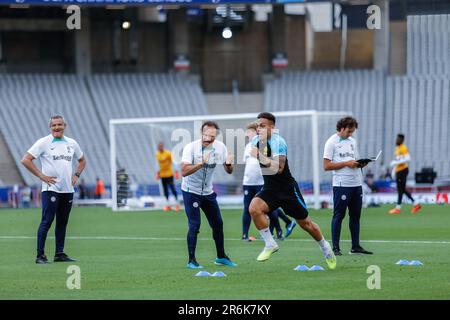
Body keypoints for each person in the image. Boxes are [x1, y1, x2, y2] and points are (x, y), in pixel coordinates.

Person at [249, 112, 336, 270]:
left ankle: (325, 248)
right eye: (257, 126)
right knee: (254, 209)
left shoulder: (279, 142)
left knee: (306, 223)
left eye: (262, 125)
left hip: (287, 190)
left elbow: (279, 168)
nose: (258, 129)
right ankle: (270, 244)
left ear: (272, 127)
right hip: (270, 189)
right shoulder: (256, 141)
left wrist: (259, 156)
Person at [21, 115, 86, 264]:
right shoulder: (43, 142)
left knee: (62, 222)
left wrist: (76, 174)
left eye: (59, 125)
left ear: (65, 126)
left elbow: (82, 160)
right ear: (50, 127)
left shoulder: (72, 143)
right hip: (51, 189)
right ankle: (40, 255)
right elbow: (25, 159)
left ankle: (59, 253)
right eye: (54, 125)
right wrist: (41, 175)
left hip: (68, 190)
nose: (57, 127)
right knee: (47, 221)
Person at [180, 121, 237, 269]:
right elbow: (184, 171)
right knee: (195, 225)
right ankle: (191, 260)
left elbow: (228, 170)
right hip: (190, 191)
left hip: (208, 192)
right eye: (206, 135)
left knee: (218, 223)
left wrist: (230, 164)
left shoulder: (220, 147)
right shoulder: (190, 148)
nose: (208, 138)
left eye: (212, 136)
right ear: (201, 133)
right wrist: (200, 163)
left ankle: (221, 257)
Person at [323, 116, 372, 256]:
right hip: (341, 184)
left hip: (356, 183)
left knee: (356, 216)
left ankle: (355, 246)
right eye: (349, 131)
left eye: (352, 132)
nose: (350, 134)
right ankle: (336, 248)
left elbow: (354, 161)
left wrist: (360, 163)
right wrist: (346, 163)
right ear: (342, 128)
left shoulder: (352, 142)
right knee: (339, 215)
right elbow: (326, 166)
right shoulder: (331, 142)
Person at [242, 122, 296, 241]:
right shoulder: (249, 147)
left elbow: (272, 164)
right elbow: (248, 163)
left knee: (270, 208)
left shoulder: (266, 144)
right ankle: (246, 234)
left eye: (249, 131)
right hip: (248, 182)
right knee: (250, 208)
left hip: (262, 181)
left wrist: (260, 157)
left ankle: (278, 230)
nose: (247, 134)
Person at [388, 134, 422, 215]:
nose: (396, 140)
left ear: (402, 140)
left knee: (401, 189)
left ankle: (398, 208)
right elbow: (398, 161)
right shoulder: (397, 148)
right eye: (396, 139)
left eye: (398, 139)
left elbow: (408, 158)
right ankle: (416, 204)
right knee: (402, 189)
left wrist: (396, 163)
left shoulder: (403, 147)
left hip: (403, 170)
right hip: (399, 171)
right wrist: (394, 170)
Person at [156, 142, 180, 212]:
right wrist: (158, 173)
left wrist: (176, 172)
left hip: (169, 174)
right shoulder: (157, 154)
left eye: (161, 146)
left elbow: (173, 162)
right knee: (165, 190)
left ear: (163, 146)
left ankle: (177, 204)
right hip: (162, 175)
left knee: (172, 189)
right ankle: (167, 205)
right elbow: (158, 165)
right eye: (159, 146)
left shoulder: (168, 153)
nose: (160, 147)